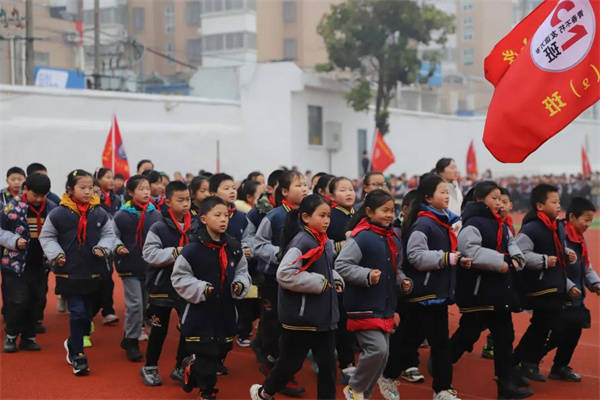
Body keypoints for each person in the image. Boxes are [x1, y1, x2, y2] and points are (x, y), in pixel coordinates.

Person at [250, 194, 343, 400]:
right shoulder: (302, 241)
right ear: (306, 218)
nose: (327, 220)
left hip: (324, 318)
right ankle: (265, 392)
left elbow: (325, 270)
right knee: (290, 364)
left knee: (328, 367)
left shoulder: (323, 241)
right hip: (301, 319)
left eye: (328, 216)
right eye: (322, 215)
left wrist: (335, 280)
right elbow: (284, 274)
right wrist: (319, 283)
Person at [450, 181, 532, 399]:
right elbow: (469, 251)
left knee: (505, 337)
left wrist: (516, 258)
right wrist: (502, 260)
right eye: (494, 198)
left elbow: (511, 243)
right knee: (468, 334)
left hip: (498, 290)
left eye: (500, 198)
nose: (499, 202)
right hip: (478, 292)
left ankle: (505, 386)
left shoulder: (501, 224)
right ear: (480, 199)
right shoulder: (472, 224)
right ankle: (443, 360)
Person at [398, 173, 471, 400]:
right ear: (428, 198)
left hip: (437, 294)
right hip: (423, 293)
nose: (447, 197)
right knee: (411, 341)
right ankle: (389, 375)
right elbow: (415, 256)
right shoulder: (424, 223)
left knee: (438, 344)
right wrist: (447, 258)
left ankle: (442, 389)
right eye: (442, 192)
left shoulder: (443, 221)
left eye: (447, 192)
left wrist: (457, 259)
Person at [172, 196, 251, 400]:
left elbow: (243, 271)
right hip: (200, 312)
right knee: (206, 356)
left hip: (225, 310)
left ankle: (191, 366)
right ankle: (207, 392)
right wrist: (200, 287)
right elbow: (179, 277)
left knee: (220, 351)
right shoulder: (192, 250)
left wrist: (240, 284)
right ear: (204, 219)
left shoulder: (233, 247)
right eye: (218, 215)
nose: (223, 220)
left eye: (226, 215)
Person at [335, 189, 412, 400]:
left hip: (385, 304)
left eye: (392, 210)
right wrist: (366, 275)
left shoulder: (393, 237)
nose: (389, 214)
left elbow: (395, 269)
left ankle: (362, 395)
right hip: (363, 304)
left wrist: (403, 281)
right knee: (377, 350)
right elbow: (341, 264)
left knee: (383, 355)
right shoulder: (362, 237)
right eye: (384, 210)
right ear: (369, 211)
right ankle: (354, 388)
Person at [39, 169, 116, 376]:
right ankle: (79, 356)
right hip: (68, 272)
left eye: (90, 188)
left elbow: (109, 235)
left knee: (87, 314)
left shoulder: (99, 212)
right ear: (70, 189)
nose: (87, 191)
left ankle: (72, 343)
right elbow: (46, 237)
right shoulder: (58, 213)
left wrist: (103, 248)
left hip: (93, 270)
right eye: (82, 188)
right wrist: (57, 255)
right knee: (77, 312)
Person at [252, 170, 308, 397]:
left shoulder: (307, 214)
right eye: (299, 185)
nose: (305, 188)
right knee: (274, 321)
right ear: (284, 191)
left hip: (297, 280)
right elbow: (257, 245)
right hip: (273, 278)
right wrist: (281, 254)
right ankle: (272, 362)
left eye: (306, 185)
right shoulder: (274, 216)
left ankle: (276, 361)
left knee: (288, 324)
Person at [513, 184, 577, 382]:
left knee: (543, 327)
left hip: (554, 283)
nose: (559, 205)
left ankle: (525, 363)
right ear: (540, 206)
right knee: (547, 327)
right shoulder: (532, 227)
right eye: (554, 202)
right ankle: (517, 363)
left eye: (559, 202)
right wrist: (543, 261)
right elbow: (520, 254)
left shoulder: (556, 225)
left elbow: (556, 248)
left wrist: (566, 254)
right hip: (539, 286)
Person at [140, 181, 199, 386]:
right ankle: (150, 366)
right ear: (168, 202)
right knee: (159, 328)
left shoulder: (198, 224)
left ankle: (179, 366)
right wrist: (177, 252)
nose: (185, 204)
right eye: (180, 200)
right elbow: (149, 253)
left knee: (187, 327)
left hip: (187, 285)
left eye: (188, 200)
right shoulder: (158, 225)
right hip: (162, 285)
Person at [540, 197, 600, 382]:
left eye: (591, 220)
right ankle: (525, 361)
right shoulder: (560, 236)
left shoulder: (580, 239)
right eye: (586, 220)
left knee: (574, 332)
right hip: (559, 295)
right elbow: (555, 267)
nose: (588, 224)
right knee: (555, 333)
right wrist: (569, 286)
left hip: (576, 298)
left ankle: (560, 367)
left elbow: (586, 266)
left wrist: (596, 283)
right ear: (572, 217)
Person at [1, 173, 57, 352]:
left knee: (36, 300)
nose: (39, 199)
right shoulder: (12, 208)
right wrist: (14, 241)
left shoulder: (52, 209)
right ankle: (11, 336)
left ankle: (28, 337)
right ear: (26, 189)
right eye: (35, 195)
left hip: (40, 264)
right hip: (15, 264)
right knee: (17, 300)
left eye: (43, 195)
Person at [113, 175, 162, 362]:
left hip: (149, 267)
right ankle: (132, 341)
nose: (146, 192)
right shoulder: (121, 215)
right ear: (131, 192)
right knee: (135, 306)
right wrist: (118, 247)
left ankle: (128, 336)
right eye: (141, 189)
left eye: (148, 188)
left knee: (144, 305)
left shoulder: (155, 214)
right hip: (129, 266)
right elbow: (112, 235)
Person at [209, 172, 249, 374]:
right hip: (210, 277)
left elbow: (250, 238)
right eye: (226, 188)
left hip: (233, 275)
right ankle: (204, 361)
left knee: (230, 324)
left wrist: (248, 248)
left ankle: (219, 358)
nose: (232, 191)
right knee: (210, 323)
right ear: (214, 192)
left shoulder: (242, 217)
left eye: (233, 187)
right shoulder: (206, 217)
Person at [326, 177, 356, 383]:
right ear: (331, 195)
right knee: (342, 322)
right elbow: (324, 247)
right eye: (343, 190)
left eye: (351, 189)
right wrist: (342, 246)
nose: (349, 193)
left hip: (359, 276)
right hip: (338, 276)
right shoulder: (331, 216)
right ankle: (346, 365)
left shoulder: (360, 214)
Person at [94, 168, 121, 326]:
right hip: (95, 243)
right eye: (107, 177)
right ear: (98, 179)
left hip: (110, 242)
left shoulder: (116, 199)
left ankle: (108, 311)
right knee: (96, 280)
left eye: (112, 177)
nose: (111, 180)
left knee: (108, 277)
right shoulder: (94, 197)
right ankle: (89, 313)